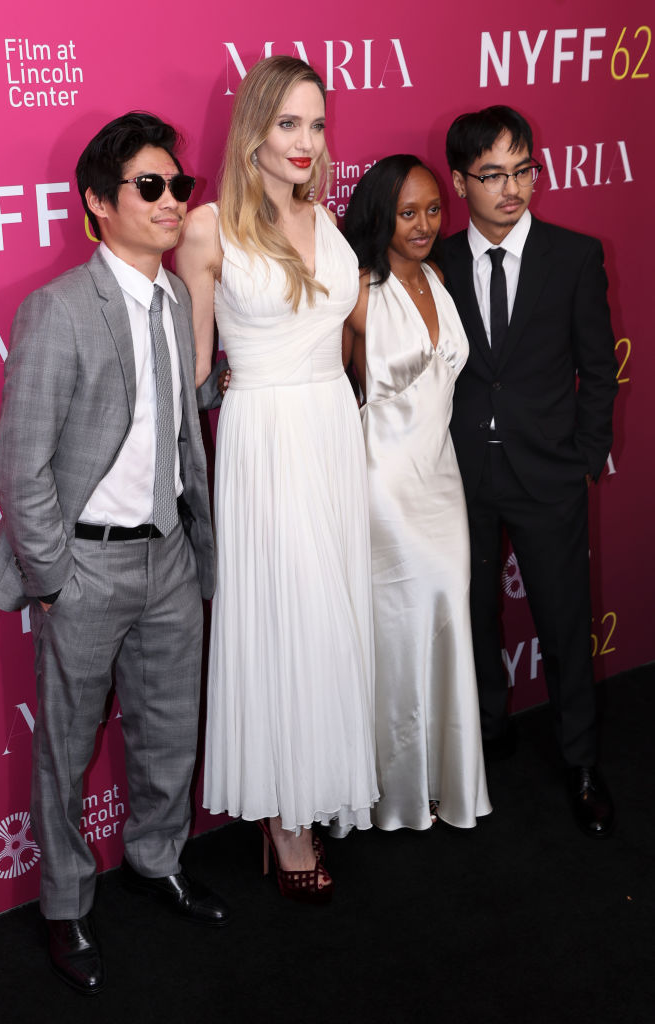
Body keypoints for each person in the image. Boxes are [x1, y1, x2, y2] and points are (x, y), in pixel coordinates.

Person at [0, 112, 230, 995]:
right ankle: (65, 907)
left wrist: (196, 546)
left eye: (178, 187)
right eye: (148, 187)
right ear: (97, 202)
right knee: (66, 751)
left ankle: (157, 862)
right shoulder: (58, 310)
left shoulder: (174, 302)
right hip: (84, 569)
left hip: (169, 559)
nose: (169, 203)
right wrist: (54, 578)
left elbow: (184, 429)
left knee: (168, 734)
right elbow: (21, 463)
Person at [175, 55, 378, 902]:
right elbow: (191, 375)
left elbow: (356, 332)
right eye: (288, 123)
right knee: (286, 615)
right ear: (253, 128)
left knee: (329, 617)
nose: (305, 142)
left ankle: (313, 784)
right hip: (266, 439)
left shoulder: (323, 221)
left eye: (318, 124)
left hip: (332, 433)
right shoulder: (207, 227)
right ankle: (283, 818)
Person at [442, 105, 618, 837]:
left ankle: (579, 759)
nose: (511, 188)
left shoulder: (573, 255)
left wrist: (581, 454)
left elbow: (597, 369)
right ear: (459, 181)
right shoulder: (436, 262)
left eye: (523, 170)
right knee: (472, 617)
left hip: (546, 474)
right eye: (491, 174)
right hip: (457, 478)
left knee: (563, 618)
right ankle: (488, 732)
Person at [343, 155, 491, 831]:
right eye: (408, 212)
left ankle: (444, 780)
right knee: (398, 636)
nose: (425, 224)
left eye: (433, 209)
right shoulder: (354, 290)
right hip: (381, 486)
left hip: (441, 479)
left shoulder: (437, 276)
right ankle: (392, 793)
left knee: (447, 622)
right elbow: (312, 379)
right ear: (380, 215)